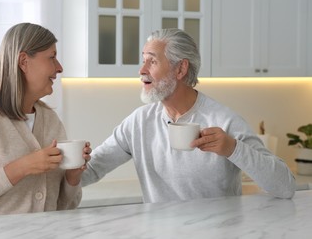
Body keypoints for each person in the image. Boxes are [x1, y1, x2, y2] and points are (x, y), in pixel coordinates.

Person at [81, 28, 296, 202]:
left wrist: (232, 148)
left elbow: (285, 187)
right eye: (143, 59)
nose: (142, 70)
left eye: (152, 61)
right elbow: (89, 171)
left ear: (181, 69)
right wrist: (57, 164)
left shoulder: (224, 121)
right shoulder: (138, 122)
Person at [0, 23, 91, 218]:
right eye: (52, 57)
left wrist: (73, 177)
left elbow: (64, 207)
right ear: (23, 62)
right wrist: (21, 168)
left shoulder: (50, 120)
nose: (59, 67)